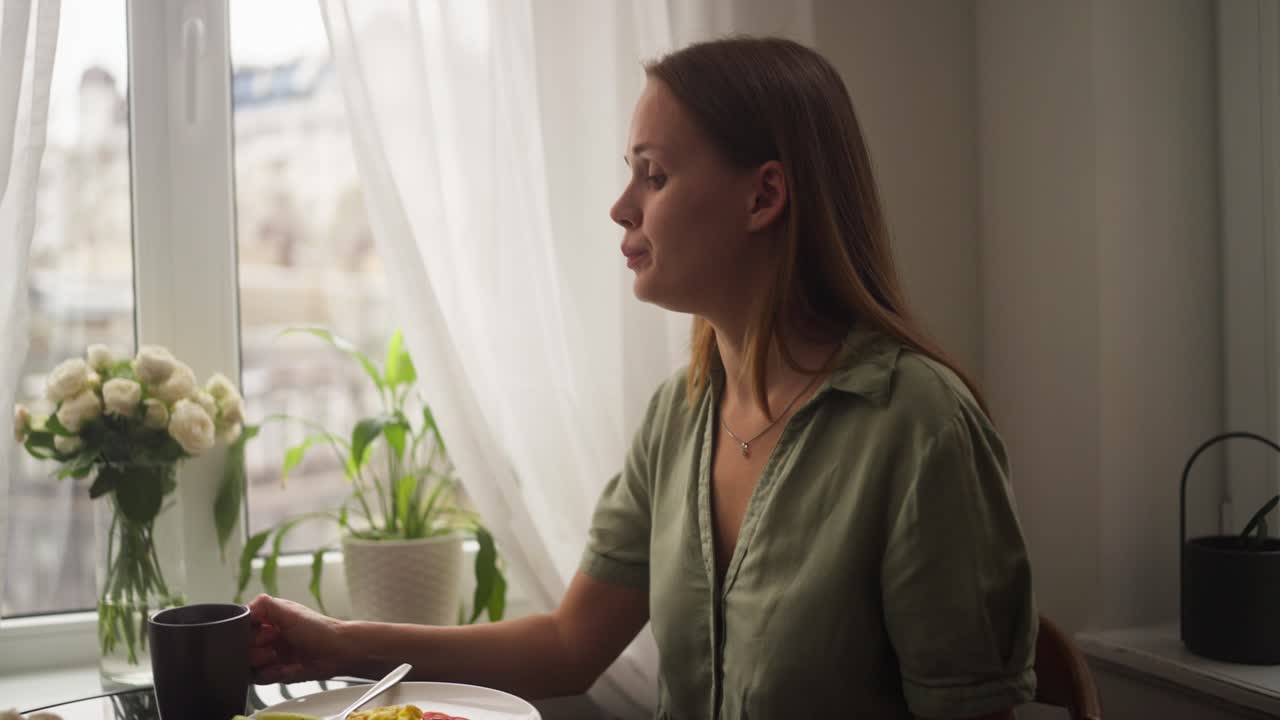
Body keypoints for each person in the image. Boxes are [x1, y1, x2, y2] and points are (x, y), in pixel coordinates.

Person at [249, 36, 1037, 719]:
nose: (621, 208)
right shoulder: (682, 414)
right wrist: (335, 643)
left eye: (654, 176)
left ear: (764, 195)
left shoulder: (919, 426)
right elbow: (569, 644)